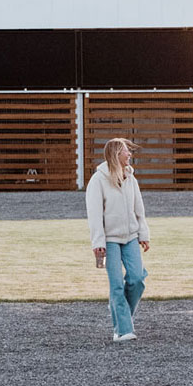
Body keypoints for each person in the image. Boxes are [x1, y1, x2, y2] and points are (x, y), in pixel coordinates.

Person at [85, 136, 150, 342]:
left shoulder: (131, 179)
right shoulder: (98, 180)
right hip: (109, 240)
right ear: (115, 154)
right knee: (116, 286)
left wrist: (143, 235)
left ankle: (119, 312)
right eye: (125, 151)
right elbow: (94, 214)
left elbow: (139, 210)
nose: (129, 154)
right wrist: (98, 243)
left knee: (137, 280)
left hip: (130, 237)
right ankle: (123, 330)